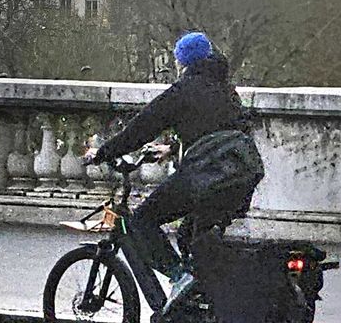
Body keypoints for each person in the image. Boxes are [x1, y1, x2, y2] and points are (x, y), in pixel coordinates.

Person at [92, 32, 264, 313]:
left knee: (143, 220)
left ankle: (178, 276)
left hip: (207, 177)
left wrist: (103, 152)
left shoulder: (182, 92)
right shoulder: (225, 89)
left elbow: (140, 129)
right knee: (192, 237)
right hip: (241, 176)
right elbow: (217, 129)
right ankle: (204, 305)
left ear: (182, 62)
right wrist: (173, 148)